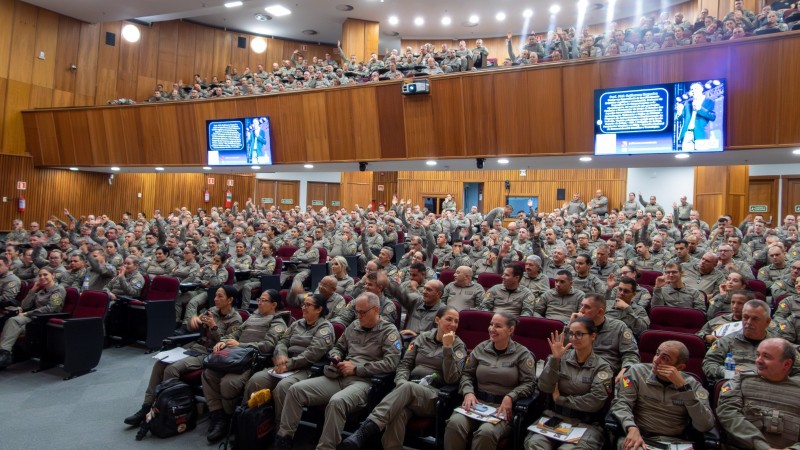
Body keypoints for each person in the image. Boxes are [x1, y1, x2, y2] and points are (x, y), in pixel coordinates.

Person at [271, 292, 401, 450]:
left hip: (364, 381)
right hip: (339, 374)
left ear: (376, 310)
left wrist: (357, 369)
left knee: (337, 402)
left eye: (362, 312)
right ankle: (284, 439)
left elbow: (391, 363)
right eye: (356, 312)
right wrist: (336, 356)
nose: (358, 316)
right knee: (295, 390)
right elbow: (338, 347)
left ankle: (326, 447)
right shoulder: (353, 326)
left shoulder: (389, 331)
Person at [340, 306, 467, 450]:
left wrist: (447, 348)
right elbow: (404, 365)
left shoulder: (458, 346)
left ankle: (364, 431)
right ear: (437, 320)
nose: (453, 324)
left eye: (456, 321)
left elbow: (452, 379)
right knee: (398, 412)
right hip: (408, 390)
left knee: (407, 388)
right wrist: (400, 381)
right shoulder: (422, 338)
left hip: (433, 396)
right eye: (449, 319)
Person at [124, 286, 243, 427]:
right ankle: (146, 406)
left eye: (220, 296)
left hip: (211, 354)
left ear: (230, 300)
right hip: (195, 347)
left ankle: (166, 409)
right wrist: (194, 320)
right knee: (160, 363)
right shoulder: (212, 311)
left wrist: (213, 326)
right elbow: (193, 326)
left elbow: (226, 343)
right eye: (216, 295)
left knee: (171, 369)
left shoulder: (236, 319)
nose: (215, 299)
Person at [202, 289, 291, 442]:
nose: (259, 302)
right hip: (233, 356)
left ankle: (232, 420)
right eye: (259, 299)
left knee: (228, 383)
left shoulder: (277, 322)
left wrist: (241, 345)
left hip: (251, 360)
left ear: (274, 304)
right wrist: (224, 341)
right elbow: (235, 334)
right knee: (208, 374)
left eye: (264, 300)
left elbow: (269, 346)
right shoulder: (252, 317)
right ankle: (219, 415)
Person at [444, 312, 536, 450]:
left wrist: (511, 397)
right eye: (491, 324)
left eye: (498, 326)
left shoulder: (522, 354)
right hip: (477, 403)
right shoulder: (481, 348)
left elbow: (530, 383)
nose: (491, 329)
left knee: (486, 433)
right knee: (454, 423)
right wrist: (468, 392)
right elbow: (467, 374)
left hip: (501, 409)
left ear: (510, 330)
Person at [243, 293, 335, 431]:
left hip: (306, 369)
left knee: (283, 388)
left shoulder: (325, 328)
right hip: (284, 365)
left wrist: (288, 364)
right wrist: (281, 356)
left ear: (319, 309)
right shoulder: (297, 324)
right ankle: (248, 424)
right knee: (256, 380)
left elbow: (312, 354)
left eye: (308, 305)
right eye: (303, 304)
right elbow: (282, 342)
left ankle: (280, 431)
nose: (303, 307)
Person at [523, 318, 612, 450]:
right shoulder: (561, 357)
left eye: (579, 334)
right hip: (555, 417)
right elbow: (544, 387)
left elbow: (595, 401)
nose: (574, 338)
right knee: (535, 444)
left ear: (593, 336)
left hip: (585, 423)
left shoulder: (602, 367)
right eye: (571, 333)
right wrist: (555, 360)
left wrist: (560, 399)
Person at [610, 340, 715, 450]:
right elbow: (621, 404)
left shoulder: (692, 385)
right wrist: (631, 427)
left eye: (664, 358)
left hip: (676, 441)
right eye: (657, 353)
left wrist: (683, 388)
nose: (656, 360)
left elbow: (705, 425)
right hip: (640, 437)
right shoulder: (636, 372)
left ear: (679, 367)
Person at [717, 338, 800, 450]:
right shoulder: (740, 380)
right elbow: (728, 415)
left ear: (786, 364)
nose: (758, 361)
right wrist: (763, 447)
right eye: (757, 355)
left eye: (766, 356)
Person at [0, 267, 66, 368]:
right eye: (40, 275)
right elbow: (24, 306)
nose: (42, 277)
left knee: (13, 321)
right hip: (34, 318)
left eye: (45, 274)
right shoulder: (41, 291)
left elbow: (51, 308)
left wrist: (27, 314)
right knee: (11, 324)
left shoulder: (59, 290)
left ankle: (4, 354)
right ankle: (5, 354)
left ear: (52, 275)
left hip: (44, 319)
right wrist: (33, 290)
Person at [702, 299, 779, 384]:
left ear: (767, 322)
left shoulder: (778, 345)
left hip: (768, 385)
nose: (749, 322)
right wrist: (728, 372)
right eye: (745, 317)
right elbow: (708, 363)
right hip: (735, 384)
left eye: (755, 319)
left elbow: (795, 371)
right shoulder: (726, 341)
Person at [678, 83, 716, 151]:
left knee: (701, 158)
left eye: (695, 88)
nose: (693, 91)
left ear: (701, 89)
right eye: (692, 89)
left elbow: (713, 116)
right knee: (686, 159)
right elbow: (681, 118)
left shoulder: (709, 101)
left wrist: (700, 108)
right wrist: (679, 113)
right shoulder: (688, 103)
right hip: (687, 134)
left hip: (701, 134)